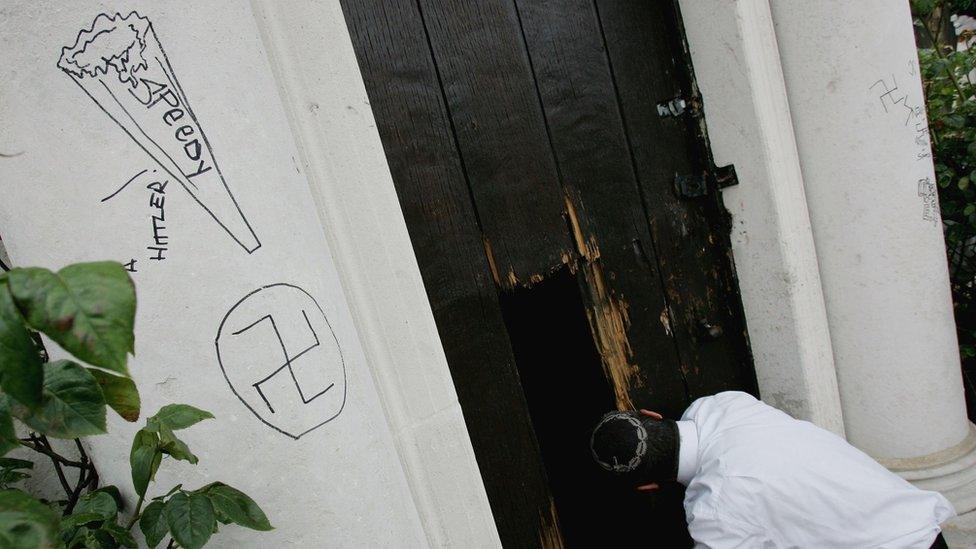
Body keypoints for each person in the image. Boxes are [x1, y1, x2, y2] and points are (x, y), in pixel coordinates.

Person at [590, 391, 955, 548]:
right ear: (652, 415)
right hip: (916, 518)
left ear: (649, 486)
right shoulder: (724, 404)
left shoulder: (717, 513)